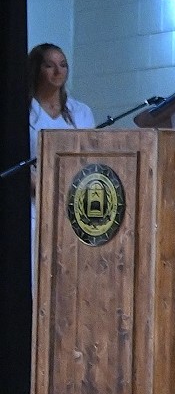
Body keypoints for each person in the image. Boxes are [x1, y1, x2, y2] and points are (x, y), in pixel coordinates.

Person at [27, 44, 94, 269]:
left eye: (63, 65)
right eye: (50, 65)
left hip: (74, 204)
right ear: (36, 69)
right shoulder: (23, 109)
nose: (58, 71)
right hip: (35, 206)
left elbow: (93, 157)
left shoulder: (81, 111)